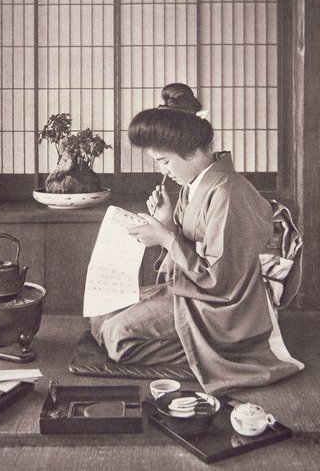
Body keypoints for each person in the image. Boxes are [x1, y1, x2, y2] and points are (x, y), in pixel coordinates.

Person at [90, 83, 304, 395]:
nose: (163, 171)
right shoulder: (193, 185)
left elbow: (220, 279)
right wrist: (167, 221)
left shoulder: (229, 193)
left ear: (191, 151)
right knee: (100, 315)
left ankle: (211, 352)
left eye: (165, 161)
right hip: (191, 288)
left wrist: (166, 238)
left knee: (116, 336)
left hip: (221, 304)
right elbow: (188, 248)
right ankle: (189, 344)